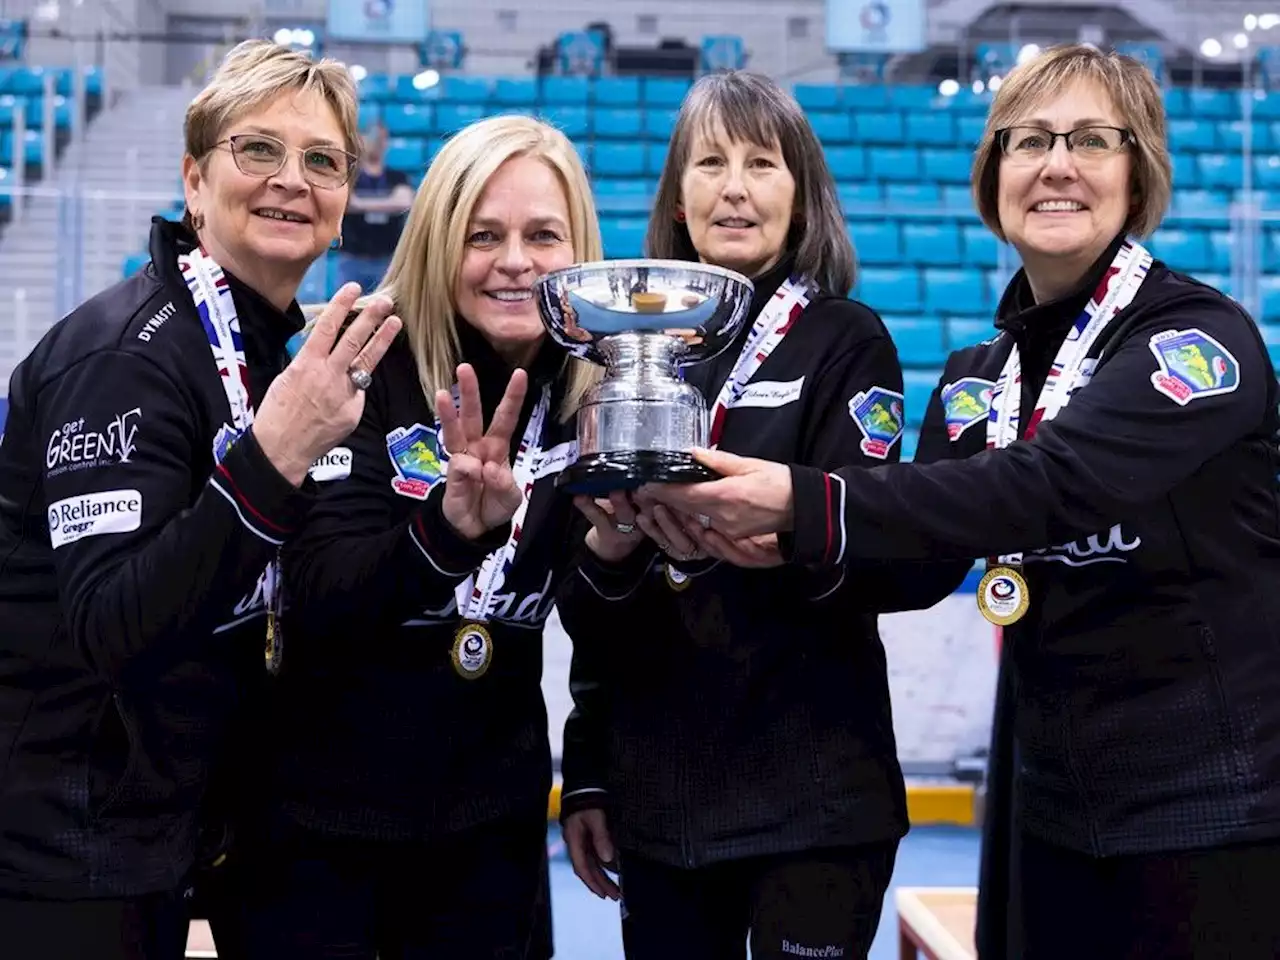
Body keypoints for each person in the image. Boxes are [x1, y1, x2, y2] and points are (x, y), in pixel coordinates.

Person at [643, 44, 1280, 960]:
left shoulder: (1196, 343)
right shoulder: (976, 381)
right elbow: (915, 560)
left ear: (1137, 177)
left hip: (1212, 811)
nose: (1056, 165)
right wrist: (748, 537)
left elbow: (1054, 484)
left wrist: (804, 502)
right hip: (1050, 814)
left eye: (1092, 140)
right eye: (1029, 142)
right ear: (993, 178)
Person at [554, 71, 969, 960]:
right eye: (709, 162)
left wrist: (776, 533)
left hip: (812, 800)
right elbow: (591, 609)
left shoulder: (846, 341)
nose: (734, 186)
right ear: (676, 195)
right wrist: (588, 771)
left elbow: (875, 556)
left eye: (761, 163)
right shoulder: (628, 356)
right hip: (662, 807)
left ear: (802, 194)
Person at [0, 39, 400, 960]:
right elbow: (111, 626)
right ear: (193, 179)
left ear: (344, 205)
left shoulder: (278, 353)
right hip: (59, 857)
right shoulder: (122, 359)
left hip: (166, 841)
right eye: (257, 150)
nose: (290, 180)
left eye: (321, 161)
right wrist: (276, 454)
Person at [237, 114, 601, 959]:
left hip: (490, 839)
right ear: (438, 239)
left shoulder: (591, 396)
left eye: (543, 235)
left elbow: (614, 630)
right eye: (484, 235)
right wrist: (444, 533)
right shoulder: (357, 363)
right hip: (319, 834)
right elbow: (320, 593)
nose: (515, 261)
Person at [337, 121, 413, 291]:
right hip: (353, 259)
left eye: (381, 138)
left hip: (387, 260)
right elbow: (347, 203)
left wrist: (362, 204)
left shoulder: (397, 176)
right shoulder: (351, 175)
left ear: (386, 142)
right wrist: (387, 203)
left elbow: (404, 202)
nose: (376, 142)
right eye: (372, 137)